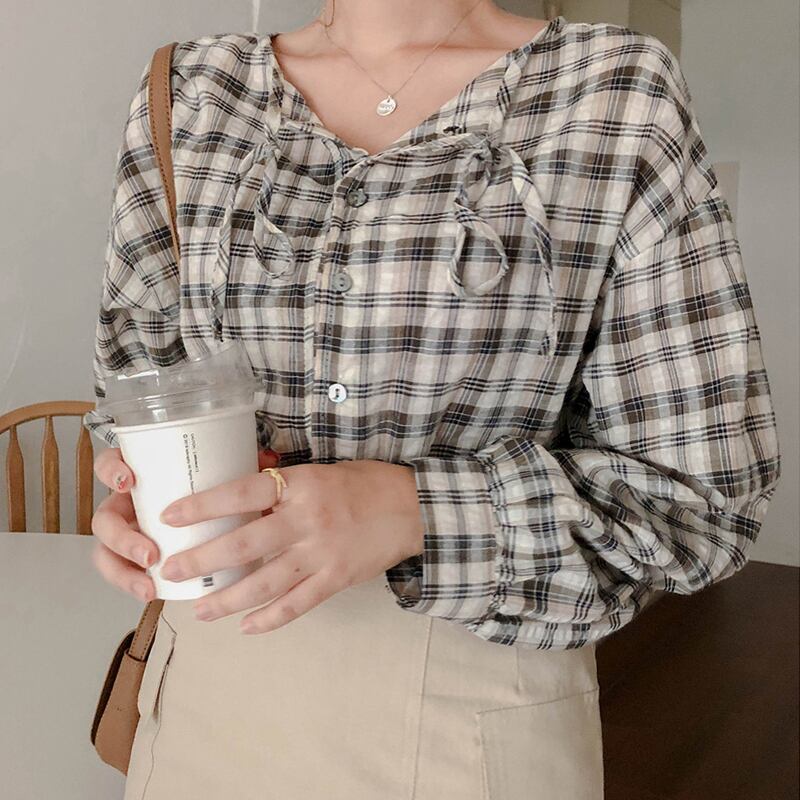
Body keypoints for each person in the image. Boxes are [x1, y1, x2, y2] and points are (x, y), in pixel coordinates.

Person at [83, 1, 783, 798]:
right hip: (206, 702)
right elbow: (140, 397)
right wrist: (139, 504)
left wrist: (412, 510)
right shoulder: (191, 91)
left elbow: (697, 505)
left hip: (470, 725)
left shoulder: (614, 90)